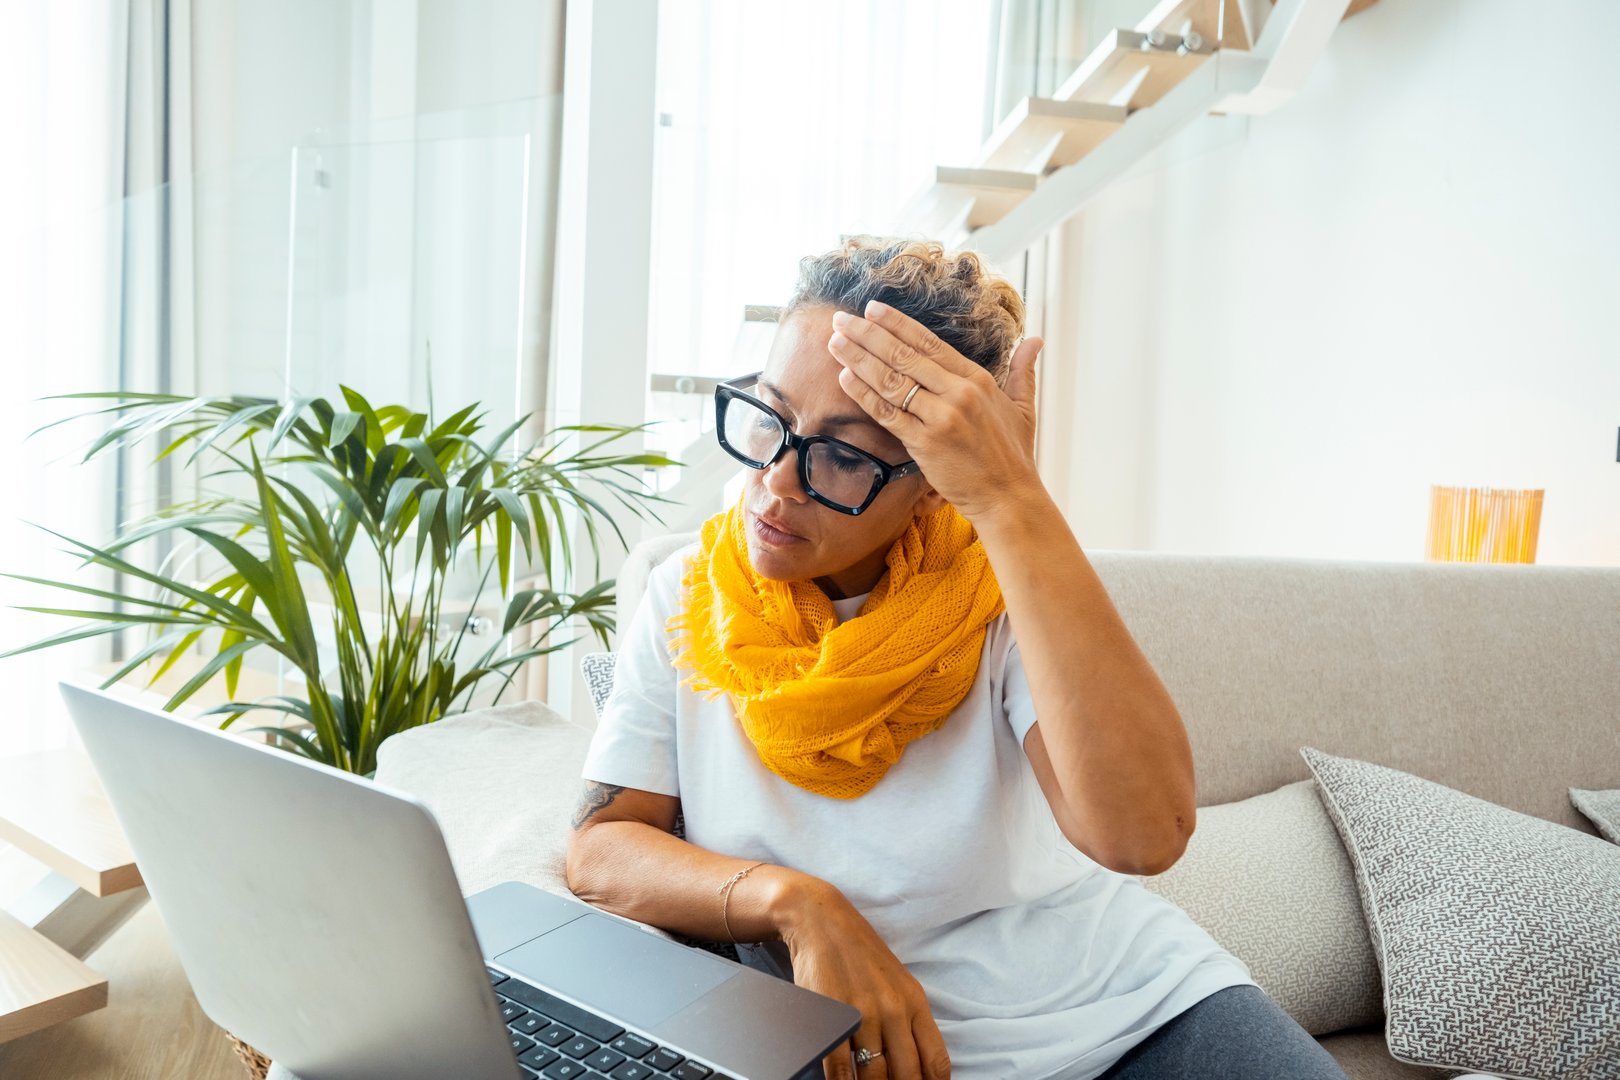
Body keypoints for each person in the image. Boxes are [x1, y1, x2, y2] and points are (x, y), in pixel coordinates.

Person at [566, 237, 1348, 1080]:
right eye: (771, 418)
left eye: (843, 452)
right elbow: (602, 847)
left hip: (1137, 1019)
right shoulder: (690, 596)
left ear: (930, 479)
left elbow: (1144, 836)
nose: (780, 482)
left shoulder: (998, 588)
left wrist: (1010, 498)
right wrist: (796, 907)